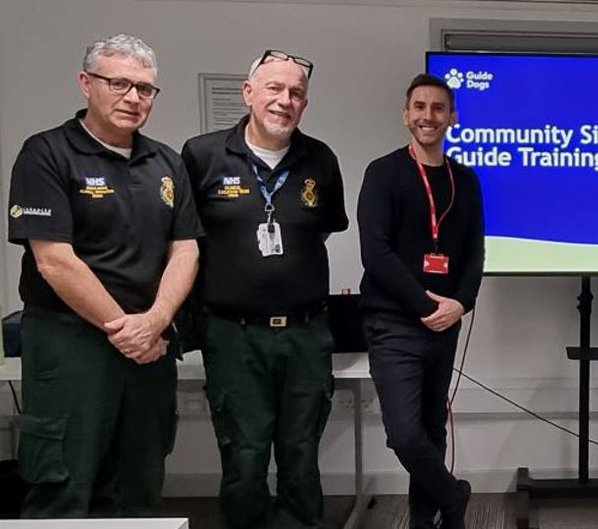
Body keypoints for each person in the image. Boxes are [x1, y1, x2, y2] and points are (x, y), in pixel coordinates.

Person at [7, 34, 203, 517]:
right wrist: (127, 330)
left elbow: (186, 249)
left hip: (150, 346)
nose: (133, 97)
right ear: (85, 84)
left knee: (139, 480)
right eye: (119, 83)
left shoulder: (166, 162)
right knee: (64, 482)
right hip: (71, 343)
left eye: (145, 89)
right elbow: (55, 261)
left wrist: (155, 320)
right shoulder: (47, 153)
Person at [181, 49, 348, 528]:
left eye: (296, 92)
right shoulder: (202, 155)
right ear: (248, 93)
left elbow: (322, 227)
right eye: (274, 88)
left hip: (306, 332)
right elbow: (183, 240)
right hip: (233, 335)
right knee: (244, 455)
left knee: (301, 453)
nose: (284, 100)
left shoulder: (320, 158)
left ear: (305, 103)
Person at [358, 74, 484, 529]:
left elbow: (474, 253)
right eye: (419, 107)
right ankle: (453, 495)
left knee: (432, 428)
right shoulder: (384, 172)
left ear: (452, 117)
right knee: (406, 434)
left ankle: (423, 519)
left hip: (445, 322)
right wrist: (425, 305)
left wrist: (461, 304)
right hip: (393, 323)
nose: (428, 116)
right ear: (405, 114)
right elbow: (375, 252)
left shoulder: (465, 181)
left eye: (438, 108)